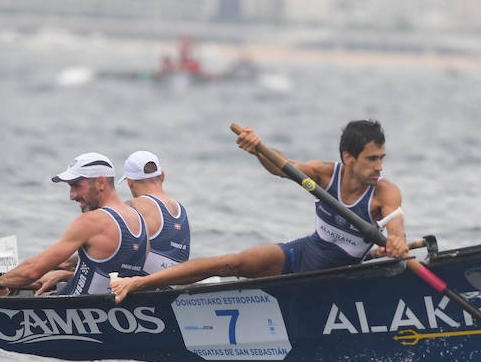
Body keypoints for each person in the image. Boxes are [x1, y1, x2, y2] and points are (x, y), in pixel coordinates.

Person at [109, 120, 407, 302]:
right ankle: (138, 284)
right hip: (305, 252)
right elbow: (282, 167)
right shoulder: (327, 174)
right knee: (232, 262)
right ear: (348, 158)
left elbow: (396, 230)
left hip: (342, 270)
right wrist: (257, 148)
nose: (379, 166)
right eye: (372, 159)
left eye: (382, 158)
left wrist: (395, 243)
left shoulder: (385, 192)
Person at [0, 152, 146, 296]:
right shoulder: (139, 220)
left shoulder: (92, 221)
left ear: (100, 183)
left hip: (71, 314)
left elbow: (32, 271)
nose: (72, 196)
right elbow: (110, 272)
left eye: (76, 185)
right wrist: (64, 274)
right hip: (111, 313)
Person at [122, 150, 189, 275]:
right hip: (173, 285)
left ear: (129, 181)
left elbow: (112, 250)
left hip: (143, 289)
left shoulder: (135, 205)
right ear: (162, 176)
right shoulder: (182, 211)